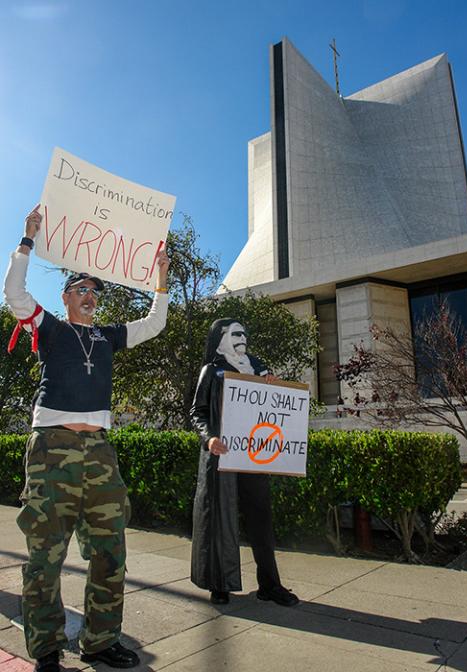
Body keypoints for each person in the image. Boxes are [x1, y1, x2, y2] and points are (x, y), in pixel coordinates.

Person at [3, 205, 170, 672]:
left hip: (99, 451)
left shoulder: (108, 337)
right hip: (52, 448)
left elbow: (154, 323)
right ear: (66, 297)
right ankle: (47, 649)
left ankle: (100, 641)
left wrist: (160, 278)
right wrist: (27, 239)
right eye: (82, 288)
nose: (91, 294)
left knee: (109, 550)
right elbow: (14, 290)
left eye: (95, 289)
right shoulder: (50, 328)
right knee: (46, 555)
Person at [190, 318, 299, 607]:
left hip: (254, 455)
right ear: (222, 337)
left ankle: (270, 585)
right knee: (220, 519)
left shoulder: (259, 368)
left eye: (245, 333)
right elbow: (197, 411)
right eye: (236, 333)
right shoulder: (211, 371)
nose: (243, 338)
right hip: (223, 455)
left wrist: (275, 388)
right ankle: (219, 583)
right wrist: (209, 438)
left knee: (261, 520)